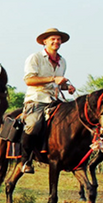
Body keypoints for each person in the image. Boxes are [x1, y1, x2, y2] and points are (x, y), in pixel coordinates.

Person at [20, 28, 75, 174]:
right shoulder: (35, 57)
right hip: (36, 99)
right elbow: (29, 80)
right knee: (33, 125)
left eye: (58, 39)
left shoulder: (62, 61)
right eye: (53, 39)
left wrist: (67, 87)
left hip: (54, 100)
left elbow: (58, 83)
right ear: (45, 42)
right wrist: (53, 79)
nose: (56, 42)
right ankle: (25, 160)